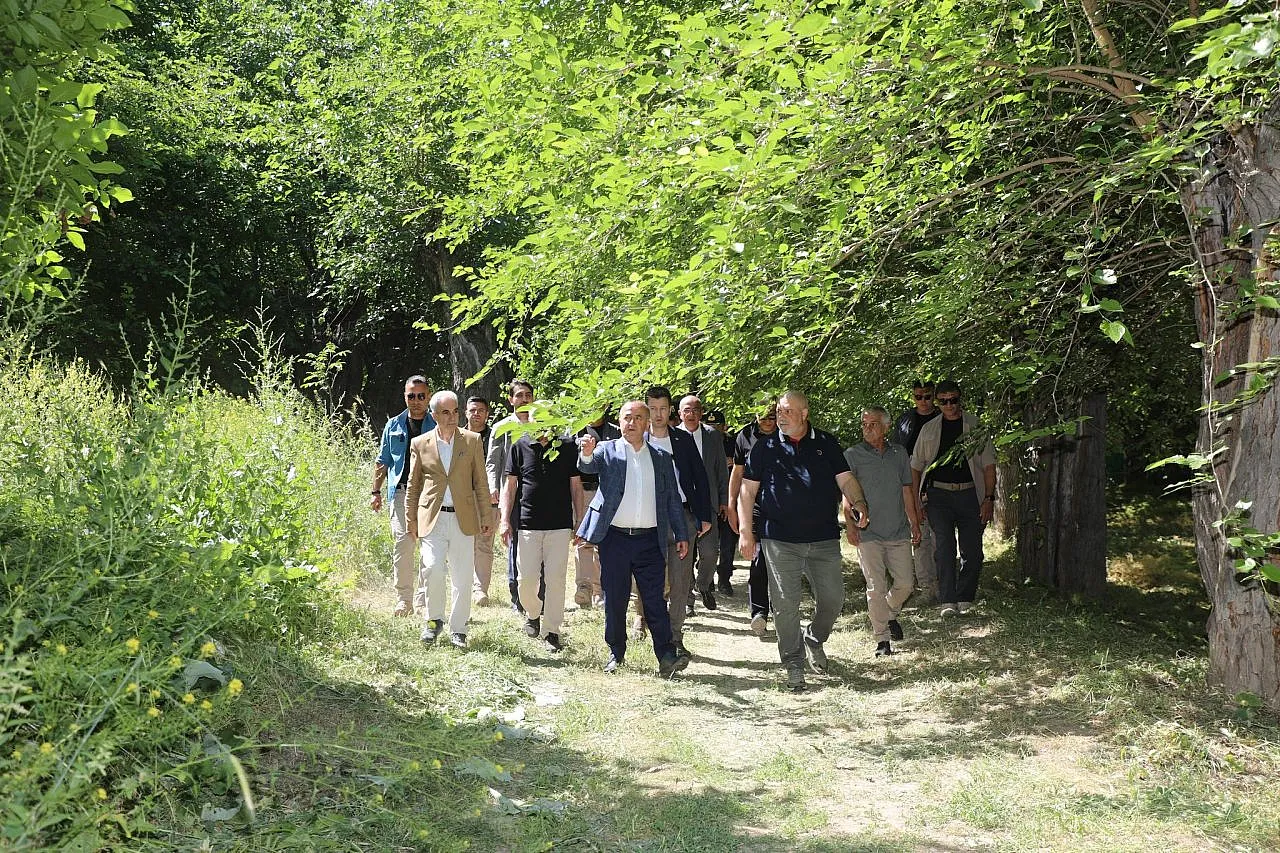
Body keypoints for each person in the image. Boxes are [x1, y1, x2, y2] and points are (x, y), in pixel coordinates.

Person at [738, 391, 869, 692]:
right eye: (778, 410)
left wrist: (860, 502)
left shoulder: (826, 444)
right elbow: (747, 491)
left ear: (805, 413)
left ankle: (815, 637)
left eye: (787, 411)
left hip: (823, 537)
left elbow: (846, 480)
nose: (780, 416)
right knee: (785, 604)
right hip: (779, 538)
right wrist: (747, 531)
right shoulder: (765, 447)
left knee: (833, 599)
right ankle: (793, 662)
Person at [576, 401, 691, 678]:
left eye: (638, 417)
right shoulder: (607, 450)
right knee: (614, 598)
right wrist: (587, 453)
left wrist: (681, 533)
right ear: (619, 420)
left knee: (654, 599)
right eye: (627, 417)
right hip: (614, 539)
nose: (632, 422)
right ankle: (616, 652)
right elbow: (588, 467)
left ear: (647, 422)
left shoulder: (661, 458)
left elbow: (672, 499)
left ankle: (666, 655)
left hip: (650, 540)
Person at [405, 391, 492, 648]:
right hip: (432, 517)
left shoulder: (473, 441)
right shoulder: (420, 443)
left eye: (455, 411)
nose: (452, 417)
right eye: (446, 412)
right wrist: (410, 519)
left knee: (462, 575)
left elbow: (481, 482)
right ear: (434, 415)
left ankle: (459, 629)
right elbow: (413, 485)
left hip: (463, 518)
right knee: (432, 569)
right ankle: (434, 621)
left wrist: (486, 515)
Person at [910, 380, 996, 617]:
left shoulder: (975, 426)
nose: (949, 405)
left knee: (973, 550)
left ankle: (965, 597)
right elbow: (915, 467)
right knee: (944, 547)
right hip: (938, 495)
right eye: (944, 401)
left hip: (971, 494)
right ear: (938, 402)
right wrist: (917, 500)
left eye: (953, 400)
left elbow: (989, 466)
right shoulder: (929, 429)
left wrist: (989, 498)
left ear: (960, 399)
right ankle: (947, 600)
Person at [500, 421, 584, 653]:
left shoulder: (567, 446)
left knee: (556, 579)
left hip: (559, 525)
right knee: (525, 580)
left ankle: (551, 631)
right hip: (527, 525)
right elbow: (510, 486)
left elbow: (576, 486)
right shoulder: (520, 445)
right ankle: (533, 612)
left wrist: (580, 520)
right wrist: (505, 519)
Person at [844, 407, 922, 657]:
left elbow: (906, 491)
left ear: (886, 427)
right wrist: (850, 525)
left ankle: (887, 612)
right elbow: (847, 493)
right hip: (868, 533)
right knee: (875, 587)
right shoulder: (852, 455)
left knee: (906, 585)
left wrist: (915, 522)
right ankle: (882, 640)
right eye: (864, 424)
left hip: (898, 530)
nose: (867, 428)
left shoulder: (899, 453)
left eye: (873, 424)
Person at [641, 385, 712, 657]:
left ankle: (674, 637)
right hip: (648, 517)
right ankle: (649, 627)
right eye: (653, 409)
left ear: (670, 410)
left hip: (682, 516)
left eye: (662, 409)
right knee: (652, 579)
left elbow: (699, 477)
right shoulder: (639, 440)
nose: (658, 415)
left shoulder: (682, 440)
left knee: (681, 582)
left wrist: (703, 516)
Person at [370, 375, 437, 618]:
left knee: (429, 546)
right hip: (400, 492)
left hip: (430, 493)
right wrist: (375, 491)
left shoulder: (437, 424)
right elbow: (383, 460)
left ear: (428, 397)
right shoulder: (394, 425)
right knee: (404, 543)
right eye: (411, 396)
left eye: (421, 396)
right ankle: (404, 600)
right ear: (405, 397)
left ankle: (422, 599)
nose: (416, 401)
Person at [726, 402, 778, 637]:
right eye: (763, 417)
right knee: (758, 561)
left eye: (771, 417)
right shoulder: (744, 436)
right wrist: (731, 505)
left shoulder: (788, 433)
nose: (767, 422)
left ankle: (781, 609)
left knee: (781, 560)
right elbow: (737, 472)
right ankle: (759, 612)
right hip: (753, 506)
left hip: (782, 508)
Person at [486, 380, 537, 612]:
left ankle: (537, 593)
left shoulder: (543, 425)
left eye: (528, 395)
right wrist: (492, 487)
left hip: (537, 493)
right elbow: (492, 462)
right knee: (514, 542)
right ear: (511, 400)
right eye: (519, 395)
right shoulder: (502, 427)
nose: (524, 399)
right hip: (511, 492)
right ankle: (516, 593)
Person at [678, 395, 730, 611]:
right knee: (684, 555)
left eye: (696, 410)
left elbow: (720, 470)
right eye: (687, 410)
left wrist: (724, 500)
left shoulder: (712, 436)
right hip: (681, 505)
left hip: (707, 504)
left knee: (709, 552)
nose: (691, 414)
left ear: (701, 413)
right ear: (680, 413)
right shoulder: (673, 436)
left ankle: (704, 585)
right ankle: (687, 598)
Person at [891, 379, 941, 603]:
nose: (923, 401)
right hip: (910, 483)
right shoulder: (905, 420)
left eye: (927, 396)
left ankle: (943, 583)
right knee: (918, 532)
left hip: (938, 481)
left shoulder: (944, 417)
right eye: (918, 396)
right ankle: (925, 585)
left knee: (940, 534)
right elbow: (895, 451)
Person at [574, 408, 621, 608]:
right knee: (583, 541)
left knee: (604, 543)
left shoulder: (617, 433)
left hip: (607, 495)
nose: (594, 410)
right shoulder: (575, 432)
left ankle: (600, 590)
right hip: (582, 492)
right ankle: (583, 588)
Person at [466, 396, 497, 606]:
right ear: (466, 412)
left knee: (485, 543)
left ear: (487, 414)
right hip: (463, 497)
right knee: (464, 544)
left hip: (488, 497)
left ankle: (480, 590)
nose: (476, 414)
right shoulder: (458, 435)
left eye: (481, 410)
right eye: (473, 410)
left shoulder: (496, 436)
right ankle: (464, 586)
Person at [705, 409, 739, 595]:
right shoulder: (699, 443)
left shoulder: (733, 443)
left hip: (729, 500)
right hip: (709, 501)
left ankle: (724, 579)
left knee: (727, 543)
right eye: (709, 426)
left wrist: (732, 462)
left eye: (716, 426)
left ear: (724, 427)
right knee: (707, 546)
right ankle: (707, 580)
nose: (713, 430)